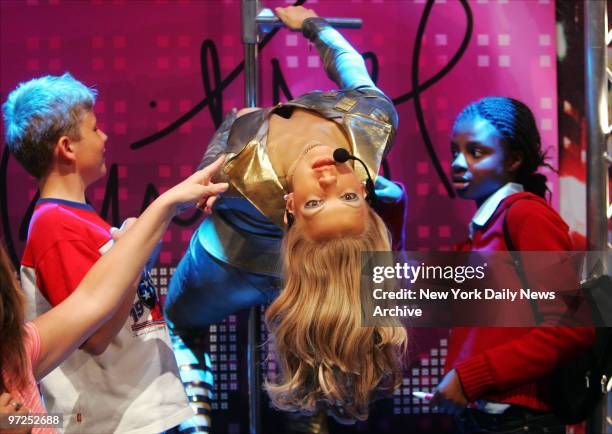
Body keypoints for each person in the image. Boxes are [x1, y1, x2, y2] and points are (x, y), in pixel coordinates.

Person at [165, 5, 408, 424]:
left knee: (179, 320)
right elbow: (350, 65)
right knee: (307, 350)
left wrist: (235, 126)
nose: (329, 182)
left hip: (229, 266)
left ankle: (196, 419)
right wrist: (312, 25)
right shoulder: (373, 119)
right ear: (365, 193)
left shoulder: (241, 173)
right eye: (348, 198)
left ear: (292, 208)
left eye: (316, 203)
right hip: (286, 264)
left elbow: (211, 168)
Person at [1, 73, 227, 433]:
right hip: (117, 421)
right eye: (94, 128)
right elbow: (97, 333)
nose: (104, 136)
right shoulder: (55, 226)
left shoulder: (80, 219)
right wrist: (138, 249)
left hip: (142, 412)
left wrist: (138, 246)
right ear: (67, 147)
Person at [430, 96, 595, 433]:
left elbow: (572, 328)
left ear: (514, 159)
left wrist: (471, 377)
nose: (458, 164)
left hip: (516, 422)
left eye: (476, 152)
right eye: (454, 152)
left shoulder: (526, 216)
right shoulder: (482, 232)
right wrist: (393, 209)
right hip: (484, 420)